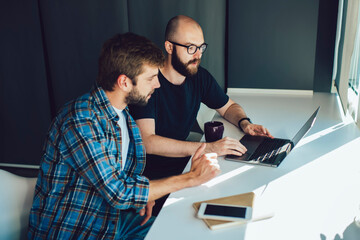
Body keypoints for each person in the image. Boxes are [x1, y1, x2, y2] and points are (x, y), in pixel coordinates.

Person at [28, 32, 220, 240]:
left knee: (185, 233)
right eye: (151, 78)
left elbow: (120, 175)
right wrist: (190, 178)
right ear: (124, 82)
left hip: (113, 220)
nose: (157, 84)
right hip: (77, 230)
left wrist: (144, 195)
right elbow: (118, 192)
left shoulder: (123, 115)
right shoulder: (81, 121)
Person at [129, 15, 273, 215]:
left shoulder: (198, 75)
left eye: (201, 47)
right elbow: (147, 142)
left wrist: (245, 123)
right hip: (152, 180)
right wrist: (208, 148)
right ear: (169, 47)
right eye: (190, 48)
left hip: (184, 165)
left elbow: (228, 107)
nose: (197, 55)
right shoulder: (149, 83)